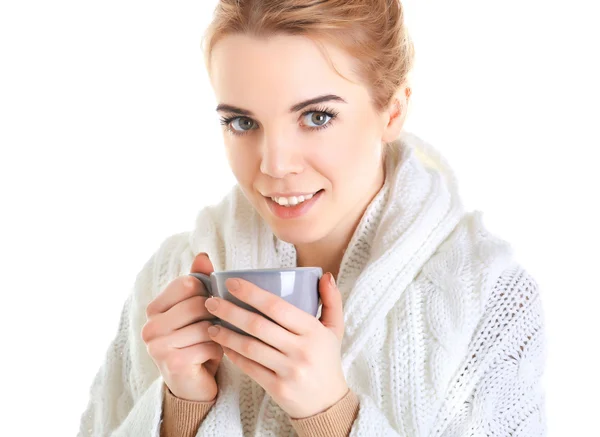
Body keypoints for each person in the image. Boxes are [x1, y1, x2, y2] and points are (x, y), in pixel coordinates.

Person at [77, 1, 547, 436]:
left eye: (317, 117)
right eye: (242, 122)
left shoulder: (490, 297)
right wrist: (182, 409)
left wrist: (331, 416)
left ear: (392, 112)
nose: (274, 164)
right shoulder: (172, 275)